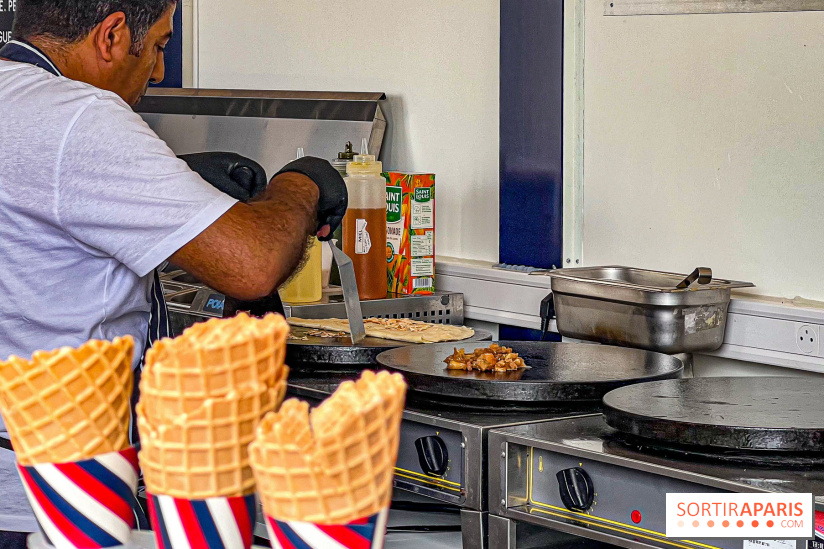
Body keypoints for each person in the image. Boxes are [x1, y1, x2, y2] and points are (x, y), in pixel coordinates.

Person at [0, 0, 348, 544]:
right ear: (113, 33)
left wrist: (177, 186)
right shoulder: (78, 115)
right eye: (160, 45)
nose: (160, 70)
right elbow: (253, 266)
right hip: (53, 504)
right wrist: (301, 186)